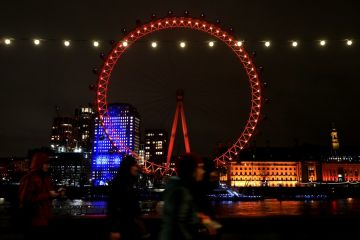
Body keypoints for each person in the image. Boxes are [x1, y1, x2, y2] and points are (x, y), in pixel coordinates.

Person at [160, 153, 220, 240]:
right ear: (192, 170)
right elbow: (179, 223)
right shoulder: (182, 192)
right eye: (200, 167)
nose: (203, 171)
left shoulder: (185, 189)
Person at [18, 152, 65, 240]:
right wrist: (49, 195)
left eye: (48, 164)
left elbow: (48, 194)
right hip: (34, 221)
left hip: (46, 219)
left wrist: (57, 194)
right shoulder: (30, 178)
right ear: (39, 164)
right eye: (45, 163)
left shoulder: (46, 178)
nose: (47, 166)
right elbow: (26, 199)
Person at [108, 155, 149, 240]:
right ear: (128, 167)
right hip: (125, 229)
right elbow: (113, 206)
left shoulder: (128, 183)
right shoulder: (121, 183)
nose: (137, 168)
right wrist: (114, 229)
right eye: (134, 166)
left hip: (129, 228)